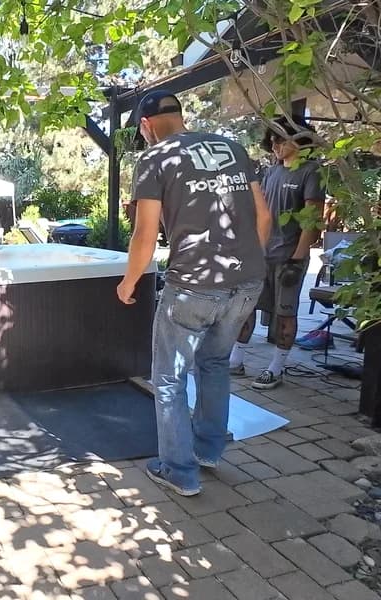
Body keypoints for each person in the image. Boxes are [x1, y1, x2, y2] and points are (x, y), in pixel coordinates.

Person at [116, 90, 271, 496]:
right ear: (180, 116)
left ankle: (179, 471)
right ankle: (208, 451)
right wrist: (248, 263)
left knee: (168, 378)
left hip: (193, 287)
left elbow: (145, 234)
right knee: (215, 364)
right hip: (247, 282)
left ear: (146, 126)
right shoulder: (233, 148)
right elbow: (264, 215)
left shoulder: (154, 158)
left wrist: (130, 281)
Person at [229, 116, 326, 389]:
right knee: (245, 307)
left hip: (288, 257)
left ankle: (276, 367)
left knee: (285, 313)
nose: (275, 145)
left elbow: (313, 219)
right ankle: (236, 360)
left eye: (280, 139)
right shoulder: (270, 172)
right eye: (272, 140)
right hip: (261, 255)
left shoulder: (311, 171)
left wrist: (297, 259)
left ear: (299, 138)